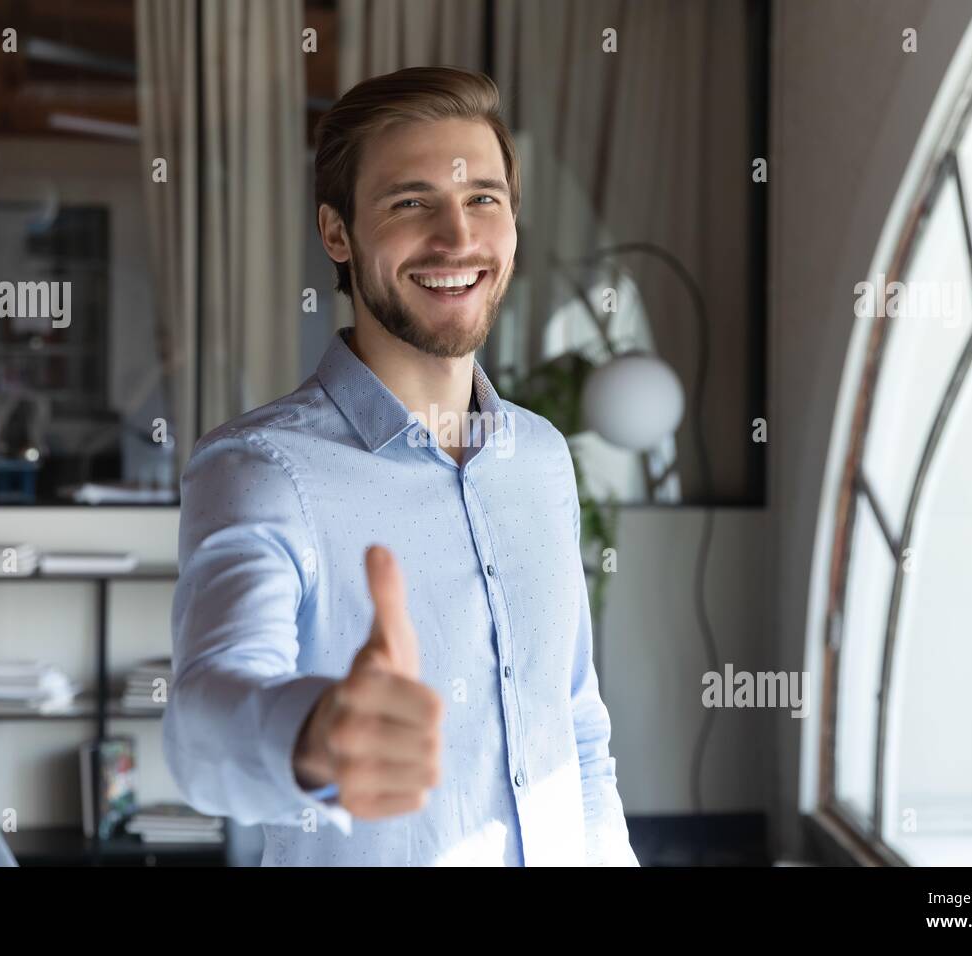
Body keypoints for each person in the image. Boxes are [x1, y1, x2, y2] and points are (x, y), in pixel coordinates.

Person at [164, 65, 638, 866]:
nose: (457, 238)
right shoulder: (261, 468)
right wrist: (317, 735)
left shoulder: (543, 460)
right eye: (411, 202)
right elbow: (202, 727)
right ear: (338, 233)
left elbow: (577, 729)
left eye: (483, 198)